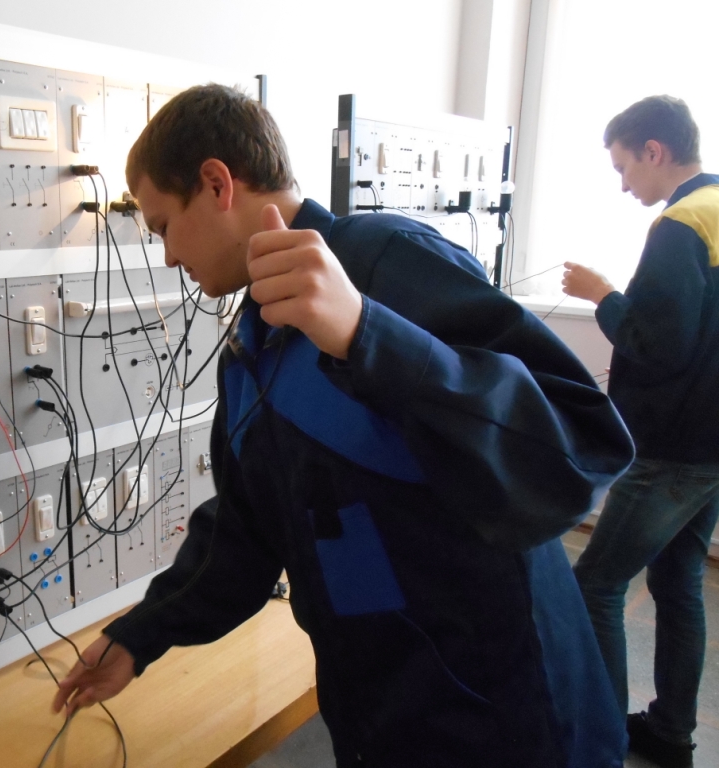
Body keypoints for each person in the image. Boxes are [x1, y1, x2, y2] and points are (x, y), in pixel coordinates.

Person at [53, 84, 635, 767]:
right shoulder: (250, 351)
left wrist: (365, 333)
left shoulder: (386, 259)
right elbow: (243, 535)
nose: (169, 257)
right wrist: (140, 635)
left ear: (216, 184)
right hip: (380, 716)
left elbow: (576, 450)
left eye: (162, 227)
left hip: (507, 713)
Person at [563, 95, 719, 768]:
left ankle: (600, 737)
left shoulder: (679, 226)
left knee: (595, 584)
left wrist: (602, 295)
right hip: (711, 445)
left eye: (625, 168)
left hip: (671, 451)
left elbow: (657, 344)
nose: (625, 185)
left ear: (655, 151)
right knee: (679, 581)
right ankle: (670, 733)